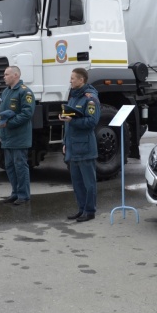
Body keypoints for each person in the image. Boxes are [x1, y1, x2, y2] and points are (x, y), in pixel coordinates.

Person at [60, 68, 101, 223]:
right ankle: (81, 209)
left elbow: (92, 122)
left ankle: (90, 211)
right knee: (77, 182)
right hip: (73, 146)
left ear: (81, 80)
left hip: (85, 147)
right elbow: (69, 124)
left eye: (72, 78)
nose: (70, 80)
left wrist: (73, 121)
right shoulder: (73, 97)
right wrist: (65, 142)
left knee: (88, 182)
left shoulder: (90, 99)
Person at [0, 66, 35, 205]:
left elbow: (27, 114)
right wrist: (0, 132)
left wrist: (10, 124)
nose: (4, 77)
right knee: (10, 166)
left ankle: (24, 195)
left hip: (19, 136)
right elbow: (1, 116)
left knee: (20, 166)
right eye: (4, 74)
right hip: (7, 136)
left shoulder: (25, 92)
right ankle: (15, 193)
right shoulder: (6, 92)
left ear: (16, 75)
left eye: (7, 74)